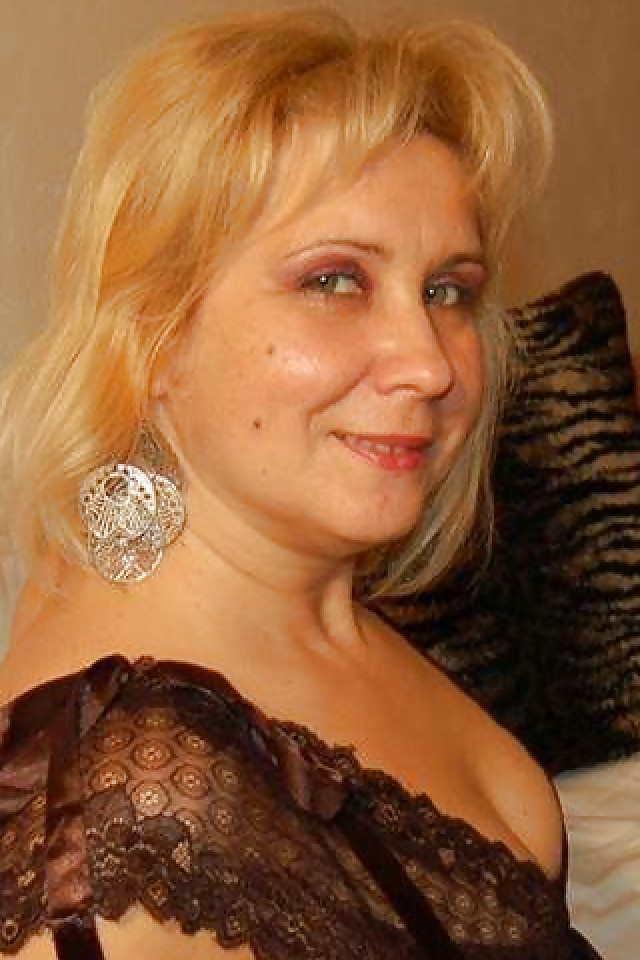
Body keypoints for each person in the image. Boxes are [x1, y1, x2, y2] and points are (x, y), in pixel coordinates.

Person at [0, 8, 602, 959]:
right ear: (156, 334)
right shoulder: (131, 813)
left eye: (447, 290)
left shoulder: (284, 599)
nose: (430, 364)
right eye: (334, 281)